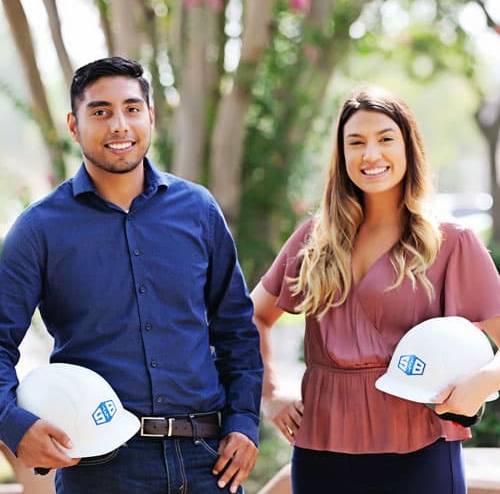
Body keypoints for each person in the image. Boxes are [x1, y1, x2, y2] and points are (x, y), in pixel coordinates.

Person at [0, 56, 263, 494]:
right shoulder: (39, 230)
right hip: (101, 469)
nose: (119, 125)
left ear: (150, 116)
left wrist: (243, 422)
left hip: (208, 461)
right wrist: (13, 425)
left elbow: (236, 329)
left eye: (132, 108)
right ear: (73, 124)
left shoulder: (198, 211)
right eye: (100, 112)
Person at [251, 85, 500, 494]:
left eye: (385, 139)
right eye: (356, 142)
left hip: (420, 445)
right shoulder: (314, 240)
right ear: (342, 154)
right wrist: (272, 393)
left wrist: (481, 384)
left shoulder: (450, 242)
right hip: (321, 449)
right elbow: (253, 316)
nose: (371, 155)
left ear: (408, 148)